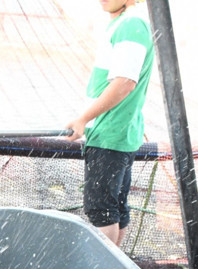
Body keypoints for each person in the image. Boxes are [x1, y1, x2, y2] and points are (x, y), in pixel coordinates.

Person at [66, 0, 153, 246]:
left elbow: (125, 82)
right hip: (120, 132)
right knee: (115, 206)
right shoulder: (126, 23)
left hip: (110, 132)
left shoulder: (130, 24)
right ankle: (115, 268)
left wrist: (84, 118)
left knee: (100, 209)